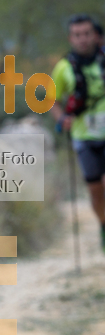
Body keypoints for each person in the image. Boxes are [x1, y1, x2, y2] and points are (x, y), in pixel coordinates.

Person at [50, 15, 105, 252]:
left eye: (86, 33)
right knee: (95, 190)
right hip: (84, 137)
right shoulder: (63, 68)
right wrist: (62, 118)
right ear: (71, 38)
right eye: (77, 35)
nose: (83, 39)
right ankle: (103, 224)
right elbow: (51, 100)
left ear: (95, 35)